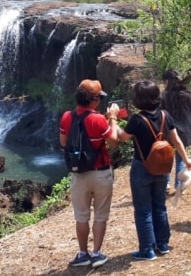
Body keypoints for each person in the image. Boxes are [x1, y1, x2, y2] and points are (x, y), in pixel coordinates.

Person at [106, 80, 191, 261]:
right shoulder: (165, 115)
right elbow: (176, 140)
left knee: (143, 209)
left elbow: (120, 138)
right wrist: (187, 160)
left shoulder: (137, 120)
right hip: (163, 167)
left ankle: (147, 249)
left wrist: (113, 118)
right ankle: (162, 244)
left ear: (138, 100)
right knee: (160, 206)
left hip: (142, 168)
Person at [59, 79, 117, 268]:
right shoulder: (99, 119)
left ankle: (83, 254)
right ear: (95, 99)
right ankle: (97, 254)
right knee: (100, 215)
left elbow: (63, 143)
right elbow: (114, 141)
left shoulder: (67, 117)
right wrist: (113, 118)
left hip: (79, 174)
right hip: (101, 173)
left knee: (81, 216)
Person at [161, 69, 191, 195]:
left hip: (168, 131)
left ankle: (165, 185)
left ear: (166, 81)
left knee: (166, 158)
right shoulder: (187, 95)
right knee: (181, 158)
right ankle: (179, 185)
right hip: (185, 131)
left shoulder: (163, 96)